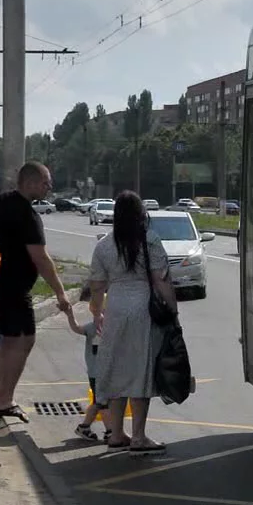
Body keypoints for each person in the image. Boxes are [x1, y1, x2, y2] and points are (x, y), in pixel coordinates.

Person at [0, 161, 72, 424]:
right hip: (15, 288)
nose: (49, 187)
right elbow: (41, 258)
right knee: (24, 340)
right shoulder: (27, 214)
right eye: (45, 183)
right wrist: (60, 292)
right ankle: (3, 400)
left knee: (9, 343)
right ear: (30, 182)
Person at [86, 192, 178, 455]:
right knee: (141, 370)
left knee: (116, 368)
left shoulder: (104, 244)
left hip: (114, 308)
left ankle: (116, 434)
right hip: (143, 310)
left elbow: (97, 285)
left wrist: (96, 311)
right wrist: (173, 311)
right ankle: (138, 437)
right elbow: (161, 281)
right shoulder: (150, 240)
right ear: (141, 214)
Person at [67, 286, 107, 442]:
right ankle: (111, 431)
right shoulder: (92, 328)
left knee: (99, 402)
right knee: (103, 402)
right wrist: (70, 314)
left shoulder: (112, 328)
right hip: (97, 373)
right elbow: (76, 328)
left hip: (106, 371)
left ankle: (84, 427)